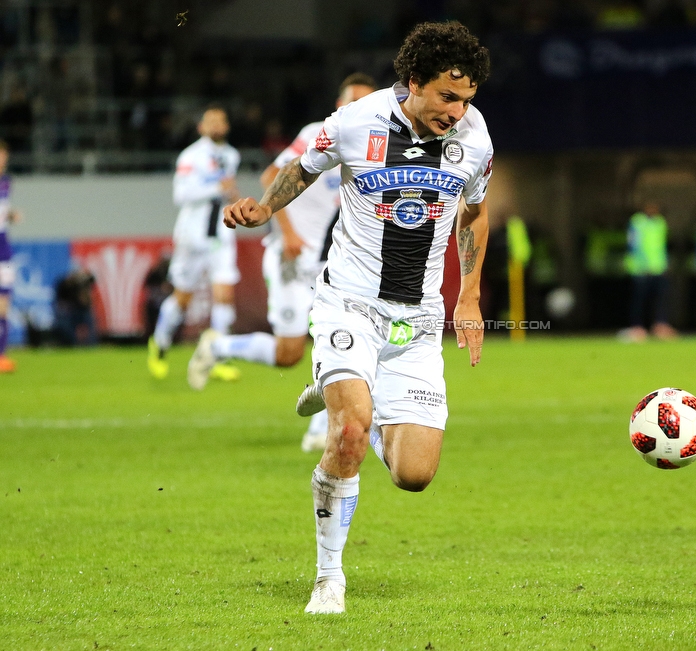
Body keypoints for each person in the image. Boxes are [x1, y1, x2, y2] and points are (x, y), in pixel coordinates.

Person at [222, 21, 492, 615]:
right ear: (414, 81)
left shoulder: (475, 139)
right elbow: (298, 170)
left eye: (466, 99)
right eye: (447, 96)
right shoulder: (353, 122)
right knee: (347, 434)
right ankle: (328, 578)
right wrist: (262, 209)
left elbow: (474, 214)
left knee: (414, 474)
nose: (457, 111)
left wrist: (467, 295)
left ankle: (340, 386)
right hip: (349, 301)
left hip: (416, 320)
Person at [186, 73, 378, 453]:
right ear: (339, 105)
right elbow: (272, 174)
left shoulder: (372, 148)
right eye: (353, 101)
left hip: (327, 261)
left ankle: (320, 428)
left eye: (367, 102)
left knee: (337, 341)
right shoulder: (320, 132)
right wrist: (287, 231)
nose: (360, 109)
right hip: (290, 256)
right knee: (289, 353)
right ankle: (219, 346)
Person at [147, 105, 242, 384]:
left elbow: (226, 192)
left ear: (226, 126)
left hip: (221, 235)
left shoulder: (231, 155)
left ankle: (217, 357)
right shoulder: (191, 155)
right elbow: (181, 194)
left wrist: (231, 196)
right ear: (201, 127)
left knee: (224, 295)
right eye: (210, 121)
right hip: (192, 236)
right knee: (182, 297)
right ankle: (160, 343)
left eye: (220, 121)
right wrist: (217, 188)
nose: (216, 126)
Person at [619, 200, 677, 341]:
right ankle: (637, 327)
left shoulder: (660, 223)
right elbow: (633, 244)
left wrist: (665, 263)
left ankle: (660, 325)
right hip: (641, 268)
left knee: (661, 298)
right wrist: (639, 263)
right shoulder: (637, 222)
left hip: (658, 267)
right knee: (638, 300)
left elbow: (661, 245)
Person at [0, 140, 22, 372]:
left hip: (4, 249)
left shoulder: (6, 182)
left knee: (4, 304)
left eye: (4, 156)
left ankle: (1, 355)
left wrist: (11, 216)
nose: (2, 160)